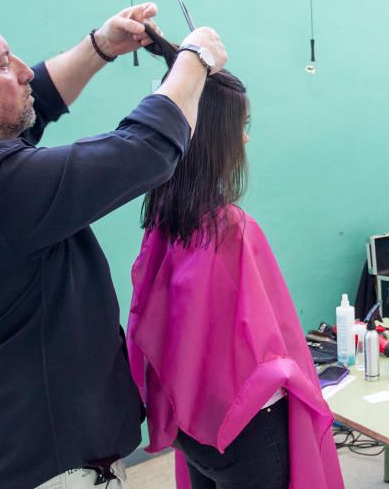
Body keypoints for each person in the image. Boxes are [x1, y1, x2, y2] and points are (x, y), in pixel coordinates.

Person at [0, 1, 227, 488]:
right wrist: (195, 59)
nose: (20, 71)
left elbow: (27, 105)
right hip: (52, 467)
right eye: (1, 65)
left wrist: (100, 47)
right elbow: (145, 149)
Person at [125, 30, 343, 489]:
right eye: (242, 125)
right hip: (247, 432)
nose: (245, 137)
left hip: (193, 427)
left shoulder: (163, 218)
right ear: (218, 136)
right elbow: (271, 349)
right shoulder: (231, 227)